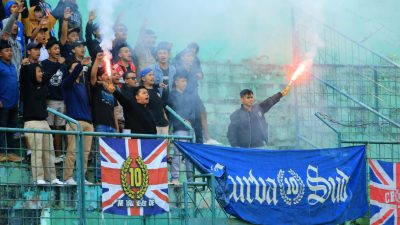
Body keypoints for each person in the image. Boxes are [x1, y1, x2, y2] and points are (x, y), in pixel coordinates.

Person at [19, 61, 63, 185]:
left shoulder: (43, 85)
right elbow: (23, 78)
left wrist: (57, 64)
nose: (41, 74)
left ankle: (52, 178)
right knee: (37, 153)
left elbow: (48, 74)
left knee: (49, 151)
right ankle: (38, 178)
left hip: (44, 122)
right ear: (32, 73)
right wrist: (24, 67)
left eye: (41, 71)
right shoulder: (27, 86)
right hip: (31, 123)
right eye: (39, 71)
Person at [61, 56, 93, 185]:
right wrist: (80, 64)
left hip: (88, 123)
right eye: (74, 68)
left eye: (79, 68)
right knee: (72, 151)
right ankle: (68, 177)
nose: (78, 70)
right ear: (69, 71)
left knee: (85, 154)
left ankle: (81, 177)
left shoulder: (83, 86)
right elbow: (72, 76)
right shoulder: (66, 84)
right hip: (74, 121)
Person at [168, 72, 202, 185]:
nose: (184, 83)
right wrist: (181, 121)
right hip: (179, 128)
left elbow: (193, 112)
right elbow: (171, 112)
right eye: (182, 81)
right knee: (178, 153)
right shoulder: (172, 95)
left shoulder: (188, 96)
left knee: (189, 155)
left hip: (189, 128)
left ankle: (190, 179)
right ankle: (175, 177)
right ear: (176, 82)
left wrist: (190, 121)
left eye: (185, 81)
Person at [42, 38, 67, 163]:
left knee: (60, 127)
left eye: (58, 48)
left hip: (61, 100)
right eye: (55, 48)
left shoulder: (63, 65)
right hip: (50, 100)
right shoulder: (44, 64)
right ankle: (50, 154)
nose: (58, 51)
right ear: (48, 51)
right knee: (50, 127)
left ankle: (59, 154)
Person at [0, 40, 22, 162]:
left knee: (12, 129)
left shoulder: (12, 66)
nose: (10, 52)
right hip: (2, 103)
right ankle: (1, 153)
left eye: (10, 50)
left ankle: (11, 153)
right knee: (2, 129)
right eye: (6, 51)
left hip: (13, 102)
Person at [140, 68, 169, 135]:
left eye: (153, 75)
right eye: (149, 75)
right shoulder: (142, 92)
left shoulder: (156, 90)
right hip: (153, 125)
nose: (152, 77)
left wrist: (166, 119)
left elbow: (160, 106)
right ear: (143, 79)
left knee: (165, 145)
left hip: (164, 125)